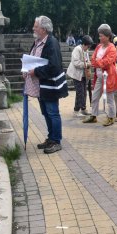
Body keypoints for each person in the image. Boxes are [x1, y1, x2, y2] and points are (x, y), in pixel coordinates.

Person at [24, 15, 68, 154]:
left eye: (35, 26)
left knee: (52, 112)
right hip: (41, 86)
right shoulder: (38, 41)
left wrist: (35, 71)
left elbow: (54, 66)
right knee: (46, 113)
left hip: (50, 85)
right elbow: (34, 59)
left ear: (43, 29)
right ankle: (51, 138)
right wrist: (26, 70)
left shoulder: (51, 43)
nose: (33, 28)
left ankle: (56, 141)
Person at [83, 25, 117, 126]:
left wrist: (97, 62)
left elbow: (107, 62)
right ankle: (94, 115)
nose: (99, 38)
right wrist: (97, 62)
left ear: (108, 36)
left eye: (101, 36)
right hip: (99, 76)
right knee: (95, 97)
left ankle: (111, 117)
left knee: (109, 98)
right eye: (99, 36)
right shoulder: (99, 46)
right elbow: (93, 58)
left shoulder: (112, 48)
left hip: (109, 77)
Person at [66, 35, 93, 117]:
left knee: (84, 92)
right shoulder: (77, 49)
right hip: (76, 74)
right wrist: (87, 64)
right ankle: (76, 111)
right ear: (84, 44)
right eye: (88, 46)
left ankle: (83, 109)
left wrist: (88, 64)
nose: (88, 48)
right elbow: (76, 63)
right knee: (80, 93)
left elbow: (87, 61)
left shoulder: (86, 51)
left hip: (83, 75)